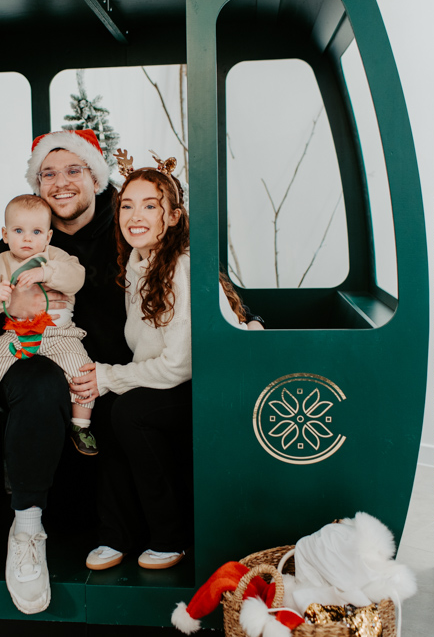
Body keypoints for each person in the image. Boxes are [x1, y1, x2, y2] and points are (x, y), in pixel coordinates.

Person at [0, 129, 132, 615]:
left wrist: (243, 312)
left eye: (73, 170)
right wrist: (6, 300)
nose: (60, 182)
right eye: (48, 173)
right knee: (39, 386)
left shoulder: (125, 222)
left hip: (105, 365)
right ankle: (26, 530)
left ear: (95, 177)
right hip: (31, 356)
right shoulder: (25, 231)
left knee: (134, 405)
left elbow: (185, 265)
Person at [69, 151, 258, 572]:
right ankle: (115, 535)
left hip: (216, 388)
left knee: (132, 411)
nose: (135, 215)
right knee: (115, 408)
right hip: (182, 383)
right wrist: (106, 380)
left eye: (150, 205)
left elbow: (179, 365)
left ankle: (171, 538)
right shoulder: (138, 265)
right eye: (128, 205)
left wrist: (108, 376)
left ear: (173, 216)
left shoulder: (180, 268)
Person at [0, 193, 99, 455]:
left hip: (60, 334)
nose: (28, 238)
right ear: (5, 235)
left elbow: (76, 277)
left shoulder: (57, 257)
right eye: (19, 231)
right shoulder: (1, 262)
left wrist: (46, 272)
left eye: (36, 231)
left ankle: (81, 425)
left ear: (48, 237)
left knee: (82, 372)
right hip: (18, 332)